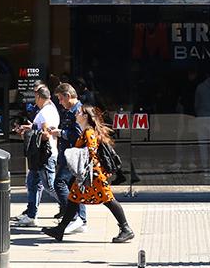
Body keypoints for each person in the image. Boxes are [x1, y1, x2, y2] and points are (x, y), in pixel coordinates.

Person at [42, 105, 134, 243]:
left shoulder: (89, 132)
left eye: (79, 112)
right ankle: (60, 230)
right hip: (89, 174)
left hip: (93, 175)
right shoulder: (87, 131)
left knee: (108, 200)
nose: (77, 114)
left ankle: (126, 229)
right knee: (74, 199)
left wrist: (72, 153)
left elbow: (91, 151)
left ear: (85, 116)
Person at [13, 85, 60, 227]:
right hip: (41, 154)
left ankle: (73, 207)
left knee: (50, 185)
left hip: (44, 155)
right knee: (33, 183)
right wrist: (28, 127)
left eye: (35, 97)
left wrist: (33, 134)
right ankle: (31, 215)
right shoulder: (50, 109)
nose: (35, 100)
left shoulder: (45, 112)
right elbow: (40, 127)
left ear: (39, 97)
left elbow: (45, 132)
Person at [51, 83, 87, 234]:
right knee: (75, 186)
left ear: (67, 96)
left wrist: (61, 133)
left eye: (60, 99)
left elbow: (78, 134)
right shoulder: (69, 111)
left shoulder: (77, 111)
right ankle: (81, 220)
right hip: (69, 154)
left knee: (59, 182)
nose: (59, 102)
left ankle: (74, 217)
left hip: (73, 155)